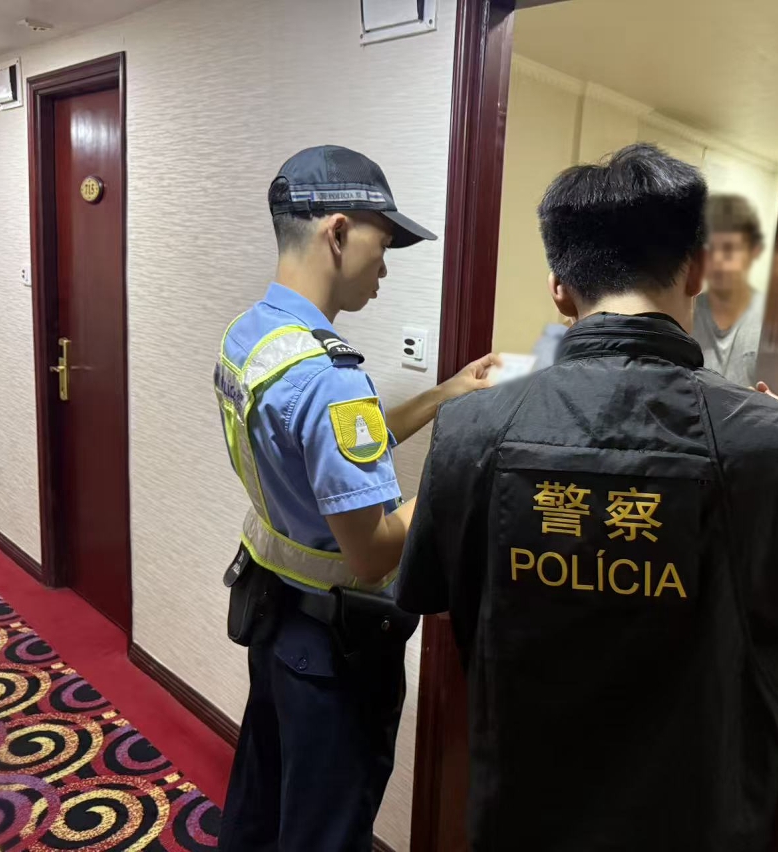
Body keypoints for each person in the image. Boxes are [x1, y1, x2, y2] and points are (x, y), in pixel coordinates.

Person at [395, 144, 778, 851]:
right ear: (697, 271)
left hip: (522, 821)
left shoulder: (468, 428)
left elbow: (449, 608)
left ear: (560, 289)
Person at [212, 145, 496, 851]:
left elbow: (331, 453)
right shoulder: (331, 376)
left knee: (260, 807)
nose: (386, 265)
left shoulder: (254, 337)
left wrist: (446, 393)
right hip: (333, 649)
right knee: (327, 832)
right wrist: (464, 466)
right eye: (384, 243)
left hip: (274, 615)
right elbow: (371, 553)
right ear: (337, 232)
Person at [692, 193, 767, 387]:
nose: (717, 261)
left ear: (754, 251)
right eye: (710, 250)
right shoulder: (685, 315)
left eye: (729, 249)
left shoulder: (771, 319)